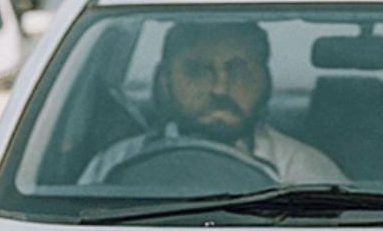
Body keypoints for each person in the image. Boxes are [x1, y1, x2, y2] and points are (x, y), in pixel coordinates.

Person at [80, 19, 345, 184]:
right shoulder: (116, 163)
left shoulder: (303, 170)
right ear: (165, 80)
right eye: (197, 70)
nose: (220, 88)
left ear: (265, 81)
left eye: (238, 71)